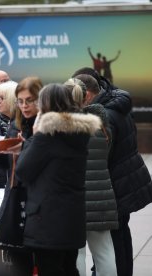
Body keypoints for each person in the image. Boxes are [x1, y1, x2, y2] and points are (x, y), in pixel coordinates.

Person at [15, 83, 101, 276]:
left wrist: (34, 137)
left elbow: (22, 171)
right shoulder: (79, 132)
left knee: (50, 269)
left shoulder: (47, 135)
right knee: (70, 268)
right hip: (72, 215)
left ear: (47, 105)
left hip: (47, 219)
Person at [73, 68, 152, 276]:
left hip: (114, 184)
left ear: (88, 94)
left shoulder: (103, 114)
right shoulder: (116, 101)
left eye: (76, 96)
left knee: (113, 241)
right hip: (125, 179)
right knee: (121, 235)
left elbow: (100, 156)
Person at [0, 76, 42, 276]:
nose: (25, 106)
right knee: (18, 261)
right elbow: (7, 167)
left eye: (30, 101)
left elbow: (28, 168)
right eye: (21, 101)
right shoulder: (17, 124)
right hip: (16, 196)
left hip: (38, 202)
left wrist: (23, 147)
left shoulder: (43, 125)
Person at [64, 77, 118, 276]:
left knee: (76, 253)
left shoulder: (61, 127)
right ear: (85, 97)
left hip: (74, 198)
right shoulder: (102, 125)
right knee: (105, 252)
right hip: (103, 196)